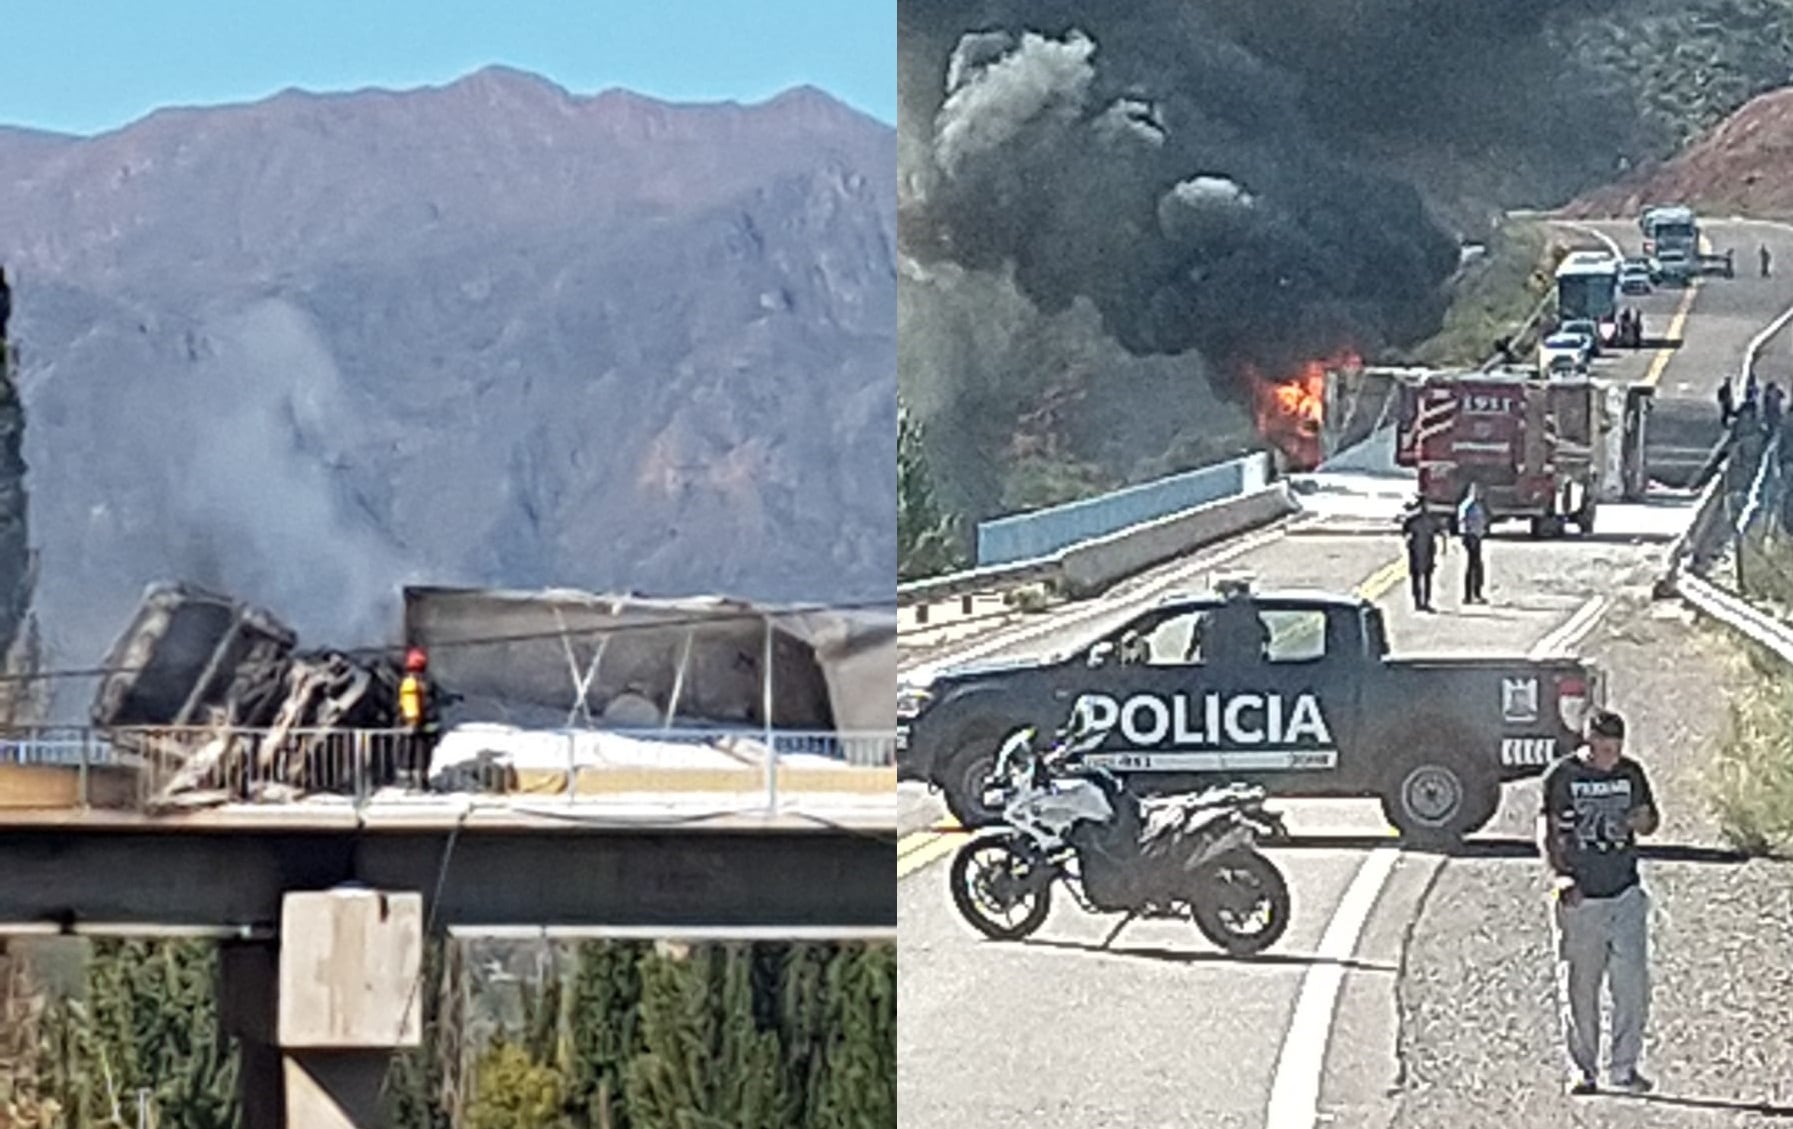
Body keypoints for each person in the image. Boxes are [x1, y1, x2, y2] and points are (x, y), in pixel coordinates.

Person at [1539, 708, 1659, 1096]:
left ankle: (1625, 1068)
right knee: (1579, 987)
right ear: (1586, 742)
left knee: (1632, 986)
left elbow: (1650, 820)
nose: (1610, 756)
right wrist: (1559, 874)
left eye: (1615, 748)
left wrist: (1639, 821)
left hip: (1624, 892)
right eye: (1602, 748)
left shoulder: (1630, 773)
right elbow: (1549, 829)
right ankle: (1583, 1069)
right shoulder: (1563, 777)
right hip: (1581, 898)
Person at [396, 646, 445, 783]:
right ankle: (421, 782)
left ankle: (405, 781)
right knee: (423, 753)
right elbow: (434, 702)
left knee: (406, 752)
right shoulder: (427, 681)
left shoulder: (403, 681)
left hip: (407, 725)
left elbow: (398, 704)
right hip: (426, 725)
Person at [1400, 497, 1441, 612]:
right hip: (1416, 553)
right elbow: (1405, 533)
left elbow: (1438, 531)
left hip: (1428, 553)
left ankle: (1426, 602)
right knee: (1417, 578)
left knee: (1427, 578)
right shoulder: (1412, 520)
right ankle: (1418, 603)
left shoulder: (1431, 519)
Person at [1457, 483, 1490, 603]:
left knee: (1478, 566)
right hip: (1471, 538)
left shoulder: (1480, 505)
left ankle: (1477, 593)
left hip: (1477, 537)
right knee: (1472, 566)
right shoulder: (1468, 504)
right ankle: (1469, 595)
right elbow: (1462, 521)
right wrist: (1467, 535)